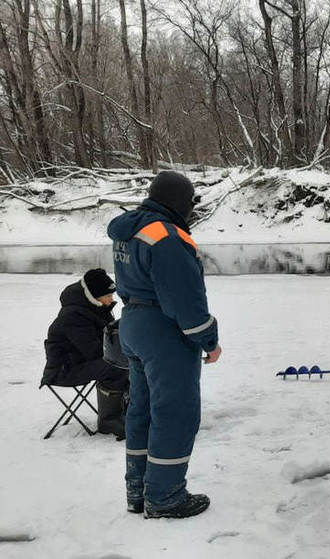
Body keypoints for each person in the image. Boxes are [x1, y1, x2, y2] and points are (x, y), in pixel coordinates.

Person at [107, 171, 221, 519]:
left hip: (133, 326)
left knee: (143, 410)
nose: (191, 210)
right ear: (179, 202)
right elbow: (184, 301)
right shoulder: (167, 237)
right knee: (175, 413)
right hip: (163, 332)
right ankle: (166, 496)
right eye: (190, 203)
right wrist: (208, 339)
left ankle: (138, 491)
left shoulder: (131, 229)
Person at [41, 269, 129, 439]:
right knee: (115, 367)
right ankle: (109, 420)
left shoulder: (96, 307)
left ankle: (128, 410)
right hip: (64, 370)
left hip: (81, 362)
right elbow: (94, 351)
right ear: (94, 296)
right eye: (108, 296)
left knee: (128, 362)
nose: (112, 299)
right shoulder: (73, 315)